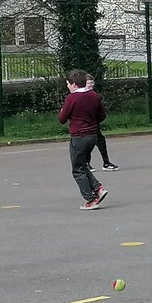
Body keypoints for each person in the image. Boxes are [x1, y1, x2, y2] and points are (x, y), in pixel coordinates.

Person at [58, 69, 108, 210]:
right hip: (92, 135)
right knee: (83, 164)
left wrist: (64, 111)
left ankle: (91, 198)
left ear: (73, 84)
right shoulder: (94, 96)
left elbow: (62, 119)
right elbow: (102, 115)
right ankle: (98, 188)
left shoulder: (72, 98)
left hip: (79, 136)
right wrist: (92, 122)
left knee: (77, 169)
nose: (67, 86)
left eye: (68, 83)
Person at [85, 76, 119, 170]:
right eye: (89, 83)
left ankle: (106, 163)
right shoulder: (80, 96)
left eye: (92, 83)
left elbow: (101, 112)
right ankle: (86, 163)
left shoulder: (95, 96)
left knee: (101, 142)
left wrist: (97, 120)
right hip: (84, 126)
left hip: (94, 124)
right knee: (88, 144)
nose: (91, 85)